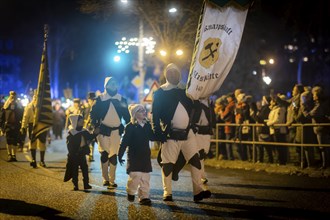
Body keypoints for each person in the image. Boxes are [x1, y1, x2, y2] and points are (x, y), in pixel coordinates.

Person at [152, 63, 211, 203]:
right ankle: (167, 192)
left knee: (195, 161)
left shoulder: (186, 91)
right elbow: (155, 115)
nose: (174, 74)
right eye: (170, 72)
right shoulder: (160, 92)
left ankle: (198, 191)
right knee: (168, 163)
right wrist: (158, 133)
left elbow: (196, 108)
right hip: (170, 134)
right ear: (166, 75)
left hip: (188, 133)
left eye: (176, 72)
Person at [90, 77, 130, 188]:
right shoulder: (100, 99)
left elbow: (127, 116)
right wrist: (95, 126)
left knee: (113, 156)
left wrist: (131, 126)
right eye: (111, 84)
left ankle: (112, 180)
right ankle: (105, 179)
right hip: (103, 131)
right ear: (106, 85)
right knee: (104, 154)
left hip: (116, 132)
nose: (114, 85)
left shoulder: (121, 99)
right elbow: (92, 115)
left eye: (115, 83)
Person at [118, 104, 154, 205]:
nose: (144, 112)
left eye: (144, 110)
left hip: (145, 155)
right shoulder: (130, 126)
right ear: (135, 114)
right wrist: (120, 154)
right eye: (140, 110)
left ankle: (144, 197)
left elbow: (152, 137)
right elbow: (124, 142)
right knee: (135, 176)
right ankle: (131, 191)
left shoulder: (147, 125)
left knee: (145, 177)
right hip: (134, 156)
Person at [64, 114, 95, 190]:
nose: (82, 122)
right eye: (80, 121)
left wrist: (95, 133)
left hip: (82, 154)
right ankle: (75, 185)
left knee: (85, 169)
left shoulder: (84, 131)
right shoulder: (72, 132)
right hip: (74, 155)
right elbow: (69, 145)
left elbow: (90, 137)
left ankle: (86, 184)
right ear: (76, 122)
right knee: (75, 170)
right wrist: (73, 153)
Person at [193, 98, 216, 184]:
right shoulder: (195, 102)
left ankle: (200, 175)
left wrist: (213, 125)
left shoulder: (210, 103)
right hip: (198, 131)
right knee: (199, 154)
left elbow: (212, 116)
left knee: (204, 153)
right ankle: (201, 176)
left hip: (206, 131)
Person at [0, 91, 24, 162]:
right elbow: (2, 117)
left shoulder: (18, 106)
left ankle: (14, 155)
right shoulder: (6, 106)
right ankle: (9, 155)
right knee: (9, 141)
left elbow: (22, 115)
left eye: (14, 96)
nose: (13, 98)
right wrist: (1, 127)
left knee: (15, 141)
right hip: (8, 125)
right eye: (11, 96)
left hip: (16, 125)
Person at [84, 92, 96, 162]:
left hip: (93, 127)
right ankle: (86, 154)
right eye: (90, 100)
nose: (91, 101)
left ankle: (91, 155)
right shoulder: (85, 107)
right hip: (86, 126)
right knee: (86, 142)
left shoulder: (96, 107)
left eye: (92, 99)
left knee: (92, 142)